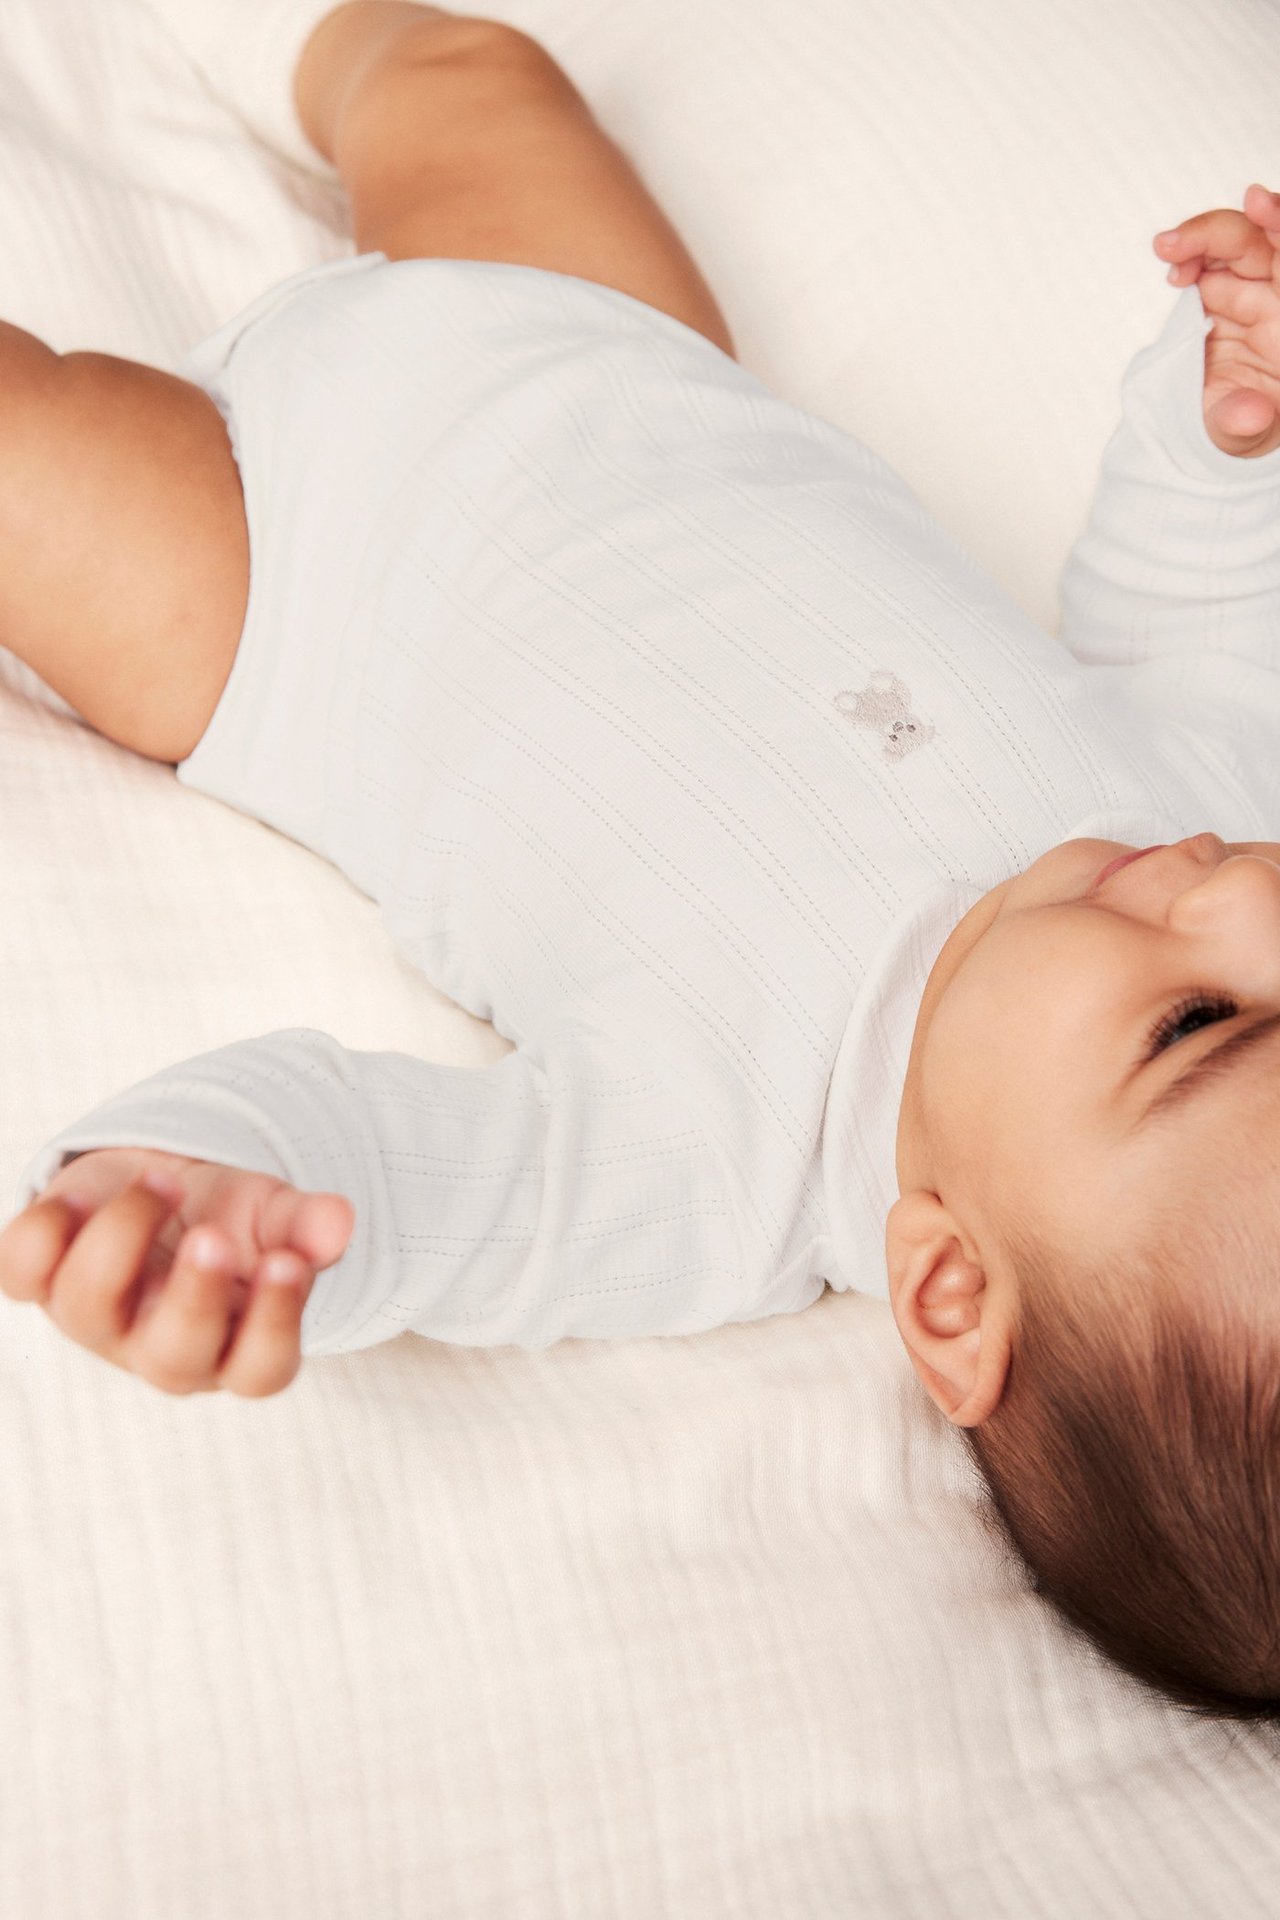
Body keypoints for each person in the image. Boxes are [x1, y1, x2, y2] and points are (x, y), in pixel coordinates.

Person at [2, 1, 1280, 1718]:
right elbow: (1185, 600)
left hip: (262, 582)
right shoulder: (1187, 806)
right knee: (467, 71)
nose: (1249, 892)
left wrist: (214, 1194)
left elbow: (400, 1178)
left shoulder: (710, 1170)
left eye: (1195, 1028)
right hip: (600, 347)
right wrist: (1230, 420)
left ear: (952, 1284)